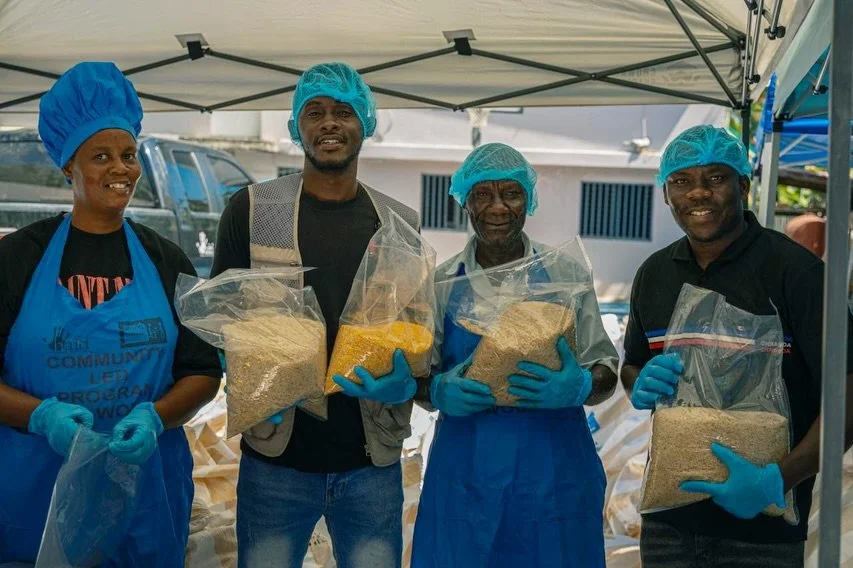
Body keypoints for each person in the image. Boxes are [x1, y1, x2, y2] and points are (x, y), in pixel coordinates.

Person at [0, 62, 222, 565]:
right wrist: (40, 415)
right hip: (37, 498)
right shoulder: (18, 259)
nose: (120, 169)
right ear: (68, 167)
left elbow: (204, 371)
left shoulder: (165, 259)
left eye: (128, 154)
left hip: (146, 498)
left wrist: (155, 416)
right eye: (100, 156)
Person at [212, 62, 421, 568]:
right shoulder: (253, 210)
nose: (330, 122)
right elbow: (219, 319)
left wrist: (408, 382)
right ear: (295, 125)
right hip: (276, 459)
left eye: (344, 111)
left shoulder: (398, 222)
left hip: (370, 461)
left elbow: (417, 326)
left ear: (366, 123)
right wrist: (247, 384)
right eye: (315, 112)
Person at [621, 124, 853, 567]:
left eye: (715, 177)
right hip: (668, 526)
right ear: (666, 193)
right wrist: (638, 382)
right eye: (681, 181)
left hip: (762, 535)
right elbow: (632, 365)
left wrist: (777, 479)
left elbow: (847, 390)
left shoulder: (796, 273)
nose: (698, 193)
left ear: (743, 186)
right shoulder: (654, 275)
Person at [410, 143, 619, 567]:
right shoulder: (442, 284)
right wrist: (437, 390)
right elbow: (416, 379)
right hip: (466, 472)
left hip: (553, 471)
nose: (498, 207)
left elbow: (606, 371)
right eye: (483, 194)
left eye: (511, 193)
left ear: (529, 200)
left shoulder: (566, 275)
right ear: (465, 201)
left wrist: (580, 386)